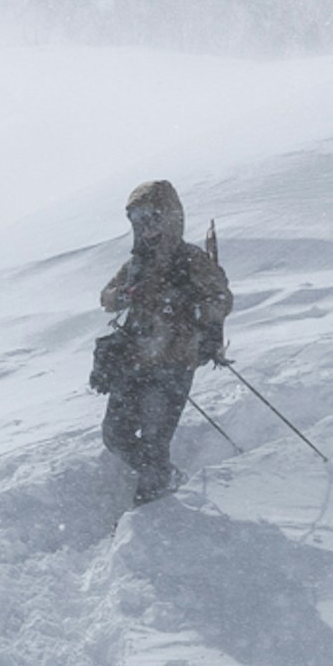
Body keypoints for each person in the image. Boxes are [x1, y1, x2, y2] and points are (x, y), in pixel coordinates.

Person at [90, 177, 232, 503]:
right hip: (133, 360)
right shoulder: (136, 263)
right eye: (138, 220)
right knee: (115, 435)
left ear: (170, 217)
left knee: (155, 441)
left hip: (174, 363)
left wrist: (191, 306)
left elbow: (221, 298)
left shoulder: (191, 260)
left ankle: (151, 515)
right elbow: (106, 297)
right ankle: (162, 475)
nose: (146, 226)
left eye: (153, 217)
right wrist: (123, 294)